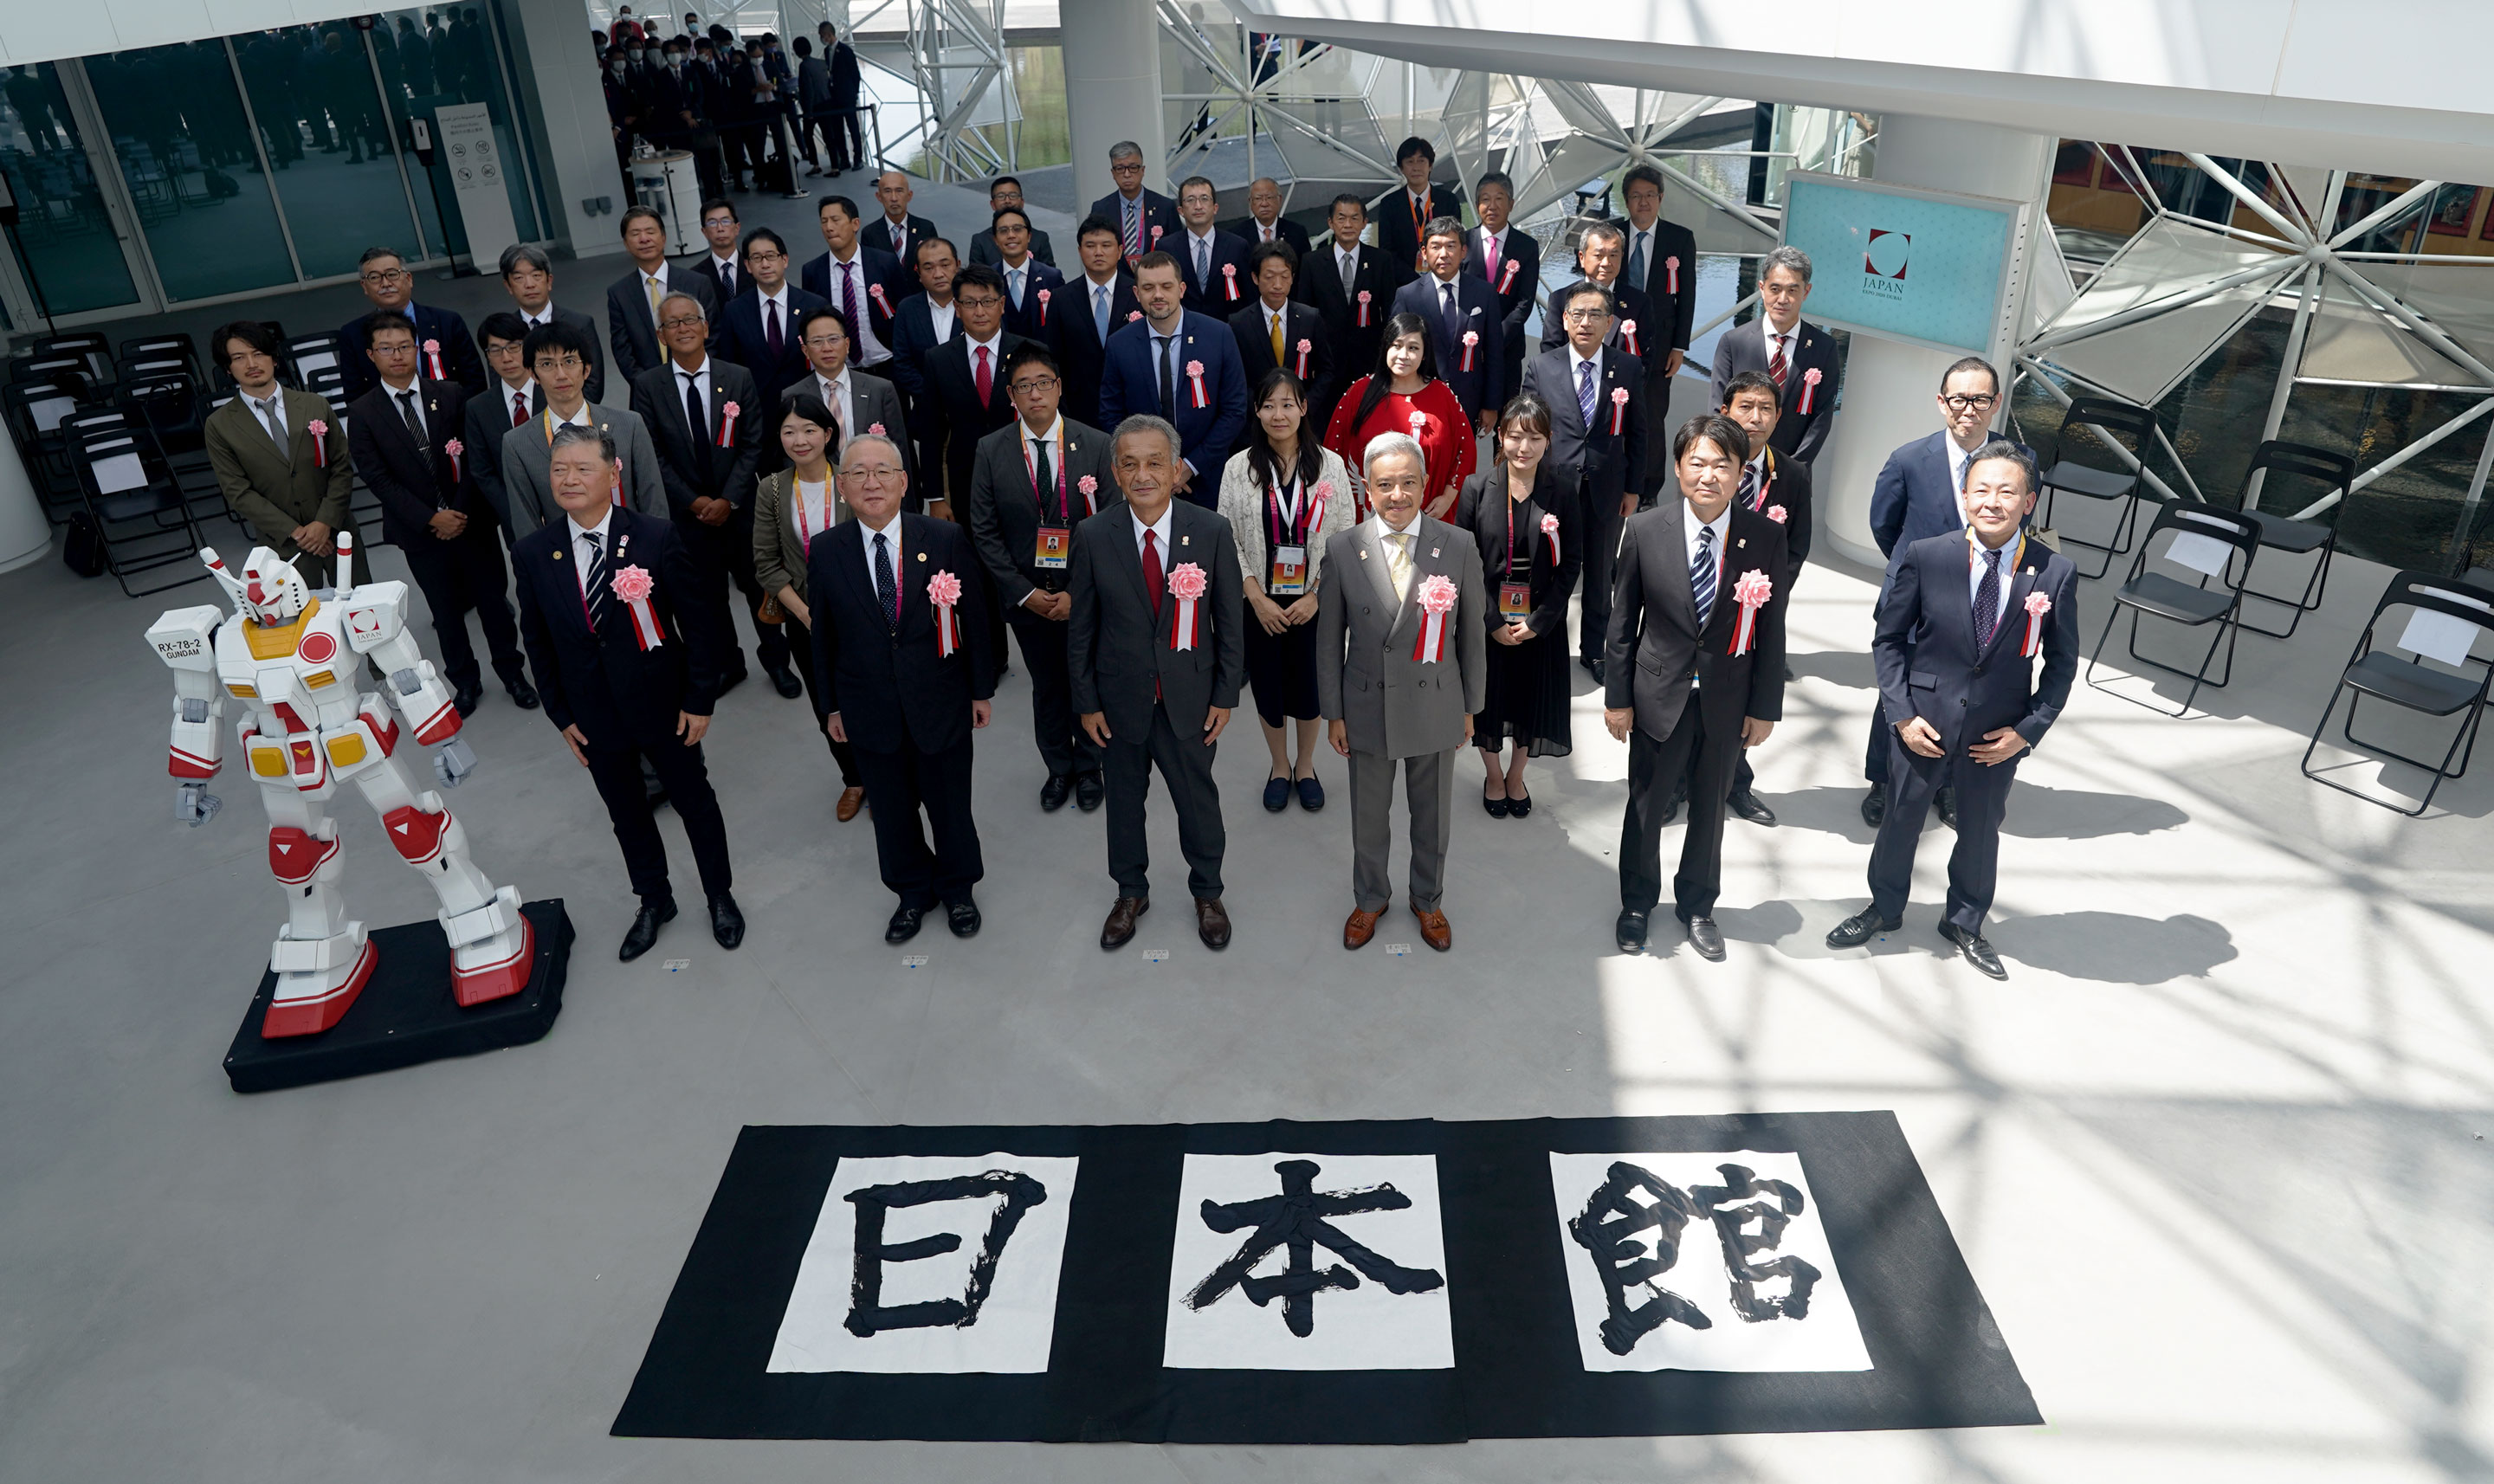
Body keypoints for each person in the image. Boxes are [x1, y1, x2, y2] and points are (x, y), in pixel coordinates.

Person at [1827, 442, 2080, 981]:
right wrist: (1900, 713)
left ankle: (1965, 920)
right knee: (1900, 820)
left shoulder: (2054, 573)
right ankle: (1884, 907)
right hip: (1923, 722)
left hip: (1997, 733)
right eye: (1982, 489)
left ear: (2029, 501)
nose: (1993, 502)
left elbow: (2061, 665)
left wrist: (2028, 731)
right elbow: (1889, 639)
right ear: (1964, 497)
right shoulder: (1928, 554)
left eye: (2007, 491)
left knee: (1981, 831)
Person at [512, 423, 741, 960]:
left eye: (582, 469)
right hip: (593, 714)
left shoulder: (655, 536)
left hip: (666, 707)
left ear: (613, 475)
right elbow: (537, 639)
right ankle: (654, 901)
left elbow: (699, 626)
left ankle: (719, 895)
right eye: (559, 470)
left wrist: (699, 701)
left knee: (695, 803)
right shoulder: (533, 552)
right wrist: (560, 713)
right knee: (627, 814)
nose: (568, 479)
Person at [1605, 414, 1789, 962]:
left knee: (1710, 808)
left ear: (1739, 473)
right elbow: (1622, 625)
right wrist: (1618, 700)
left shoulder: (1765, 537)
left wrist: (1765, 707)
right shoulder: (1643, 530)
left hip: (1727, 700)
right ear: (1680, 467)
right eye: (1698, 463)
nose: (1708, 475)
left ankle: (1698, 906)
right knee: (1646, 805)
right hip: (1658, 693)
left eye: (1722, 465)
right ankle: (1637, 903)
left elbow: (1772, 629)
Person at [1067, 415, 1246, 952]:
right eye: (1129, 464)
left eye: (1154, 463)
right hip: (1119, 701)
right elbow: (1082, 629)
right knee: (1124, 803)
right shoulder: (1095, 535)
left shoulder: (1210, 530)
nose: (1142, 474)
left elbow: (1229, 622)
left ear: (1175, 470)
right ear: (1116, 474)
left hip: (1188, 699)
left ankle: (1208, 891)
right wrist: (1087, 701)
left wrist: (1225, 694)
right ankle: (1130, 891)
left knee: (1198, 801)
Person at [810, 433, 996, 943]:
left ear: (903, 482)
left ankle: (959, 889)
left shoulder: (942, 539)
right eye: (858, 474)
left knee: (950, 805)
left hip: (941, 701)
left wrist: (981, 691)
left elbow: (976, 622)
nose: (872, 483)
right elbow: (822, 638)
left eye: (882, 472)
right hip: (868, 708)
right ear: (842, 486)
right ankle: (912, 892)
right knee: (891, 812)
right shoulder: (827, 551)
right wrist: (830, 707)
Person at [1315, 431, 1485, 952]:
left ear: (1424, 483)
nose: (1397, 495)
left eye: (1408, 482)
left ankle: (1427, 900)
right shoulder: (1344, 548)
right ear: (1367, 487)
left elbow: (1472, 634)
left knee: (1432, 814)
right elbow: (1328, 639)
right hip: (1367, 702)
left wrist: (1470, 707)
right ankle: (1370, 899)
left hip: (1435, 699)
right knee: (1369, 815)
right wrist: (1334, 713)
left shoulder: (1457, 544)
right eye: (1385, 484)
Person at [1860, 357, 2031, 828]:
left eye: (1980, 399)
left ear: (1996, 404)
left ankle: (1951, 785)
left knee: (1966, 695)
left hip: (1984, 601)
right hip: (1916, 601)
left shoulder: (2019, 460)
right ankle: (1882, 780)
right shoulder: (1909, 459)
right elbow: (1885, 525)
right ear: (1942, 402)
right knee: (1898, 691)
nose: (1968, 409)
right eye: (1959, 399)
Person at [344, 313, 534, 717]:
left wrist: (457, 510)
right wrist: (432, 518)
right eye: (386, 349)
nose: (396, 355)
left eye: (404, 346)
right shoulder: (362, 412)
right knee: (445, 612)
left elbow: (475, 456)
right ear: (370, 355)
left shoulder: (450, 394)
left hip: (471, 521)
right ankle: (464, 683)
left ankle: (513, 674)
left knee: (494, 603)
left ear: (417, 349)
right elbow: (377, 477)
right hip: (419, 531)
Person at [964, 343, 1121, 811]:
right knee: (1048, 684)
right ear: (1011, 394)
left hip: (1083, 595)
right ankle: (1059, 767)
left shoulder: (1095, 444)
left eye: (1043, 384)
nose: (1035, 394)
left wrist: (1078, 591)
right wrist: (1025, 593)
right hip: (1027, 598)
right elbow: (984, 530)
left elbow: (1113, 522)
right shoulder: (991, 450)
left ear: (1058, 387)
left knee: (1086, 678)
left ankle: (1091, 765)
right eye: (1024, 387)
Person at [630, 291, 792, 698]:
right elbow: (652, 453)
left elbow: (754, 443)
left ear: (705, 327)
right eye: (673, 323)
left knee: (761, 588)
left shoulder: (737, 376)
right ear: (660, 335)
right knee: (706, 598)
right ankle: (729, 665)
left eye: (690, 320)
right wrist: (694, 501)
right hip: (688, 516)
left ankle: (777, 661)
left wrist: (729, 499)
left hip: (740, 510)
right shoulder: (647, 385)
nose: (683, 328)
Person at [1222, 369, 1353, 813]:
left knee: (1310, 687)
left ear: (1304, 408)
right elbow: (1227, 538)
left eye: (1288, 403)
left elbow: (1345, 534)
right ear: (1257, 412)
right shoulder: (1237, 468)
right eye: (1269, 405)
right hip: (1259, 602)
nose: (1279, 414)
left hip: (1313, 602)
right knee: (1269, 687)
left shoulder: (1331, 465)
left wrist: (1317, 593)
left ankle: (1306, 764)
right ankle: (1279, 765)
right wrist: (1254, 596)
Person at [1455, 392, 1579, 815]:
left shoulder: (1562, 491)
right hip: (1489, 619)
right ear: (1501, 437)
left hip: (1539, 621)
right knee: (1488, 701)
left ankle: (1516, 775)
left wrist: (1541, 621)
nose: (1523, 448)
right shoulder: (1476, 489)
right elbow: (1464, 561)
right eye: (1515, 437)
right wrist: (1490, 620)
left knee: (1530, 701)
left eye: (1534, 438)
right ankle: (1493, 774)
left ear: (1548, 441)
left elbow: (1572, 563)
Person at [750, 397, 869, 823]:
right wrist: (803, 614)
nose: (799, 440)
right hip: (807, 618)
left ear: (828, 434)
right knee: (827, 704)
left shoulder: (853, 479)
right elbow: (766, 562)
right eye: (788, 431)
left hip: (864, 612)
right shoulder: (773, 488)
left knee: (873, 696)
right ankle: (854, 778)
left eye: (809, 430)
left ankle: (884, 775)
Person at [1522, 282, 1646, 683]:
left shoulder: (1627, 368)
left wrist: (1633, 488)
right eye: (1578, 314)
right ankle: (1540, 641)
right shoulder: (1543, 367)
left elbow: (1640, 432)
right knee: (1546, 568)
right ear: (1564, 319)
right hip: (1554, 488)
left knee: (1599, 573)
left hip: (1606, 490)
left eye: (1596, 315)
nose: (1586, 322)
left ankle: (1595, 652)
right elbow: (1525, 431)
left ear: (1610, 323)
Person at [204, 319, 357, 587]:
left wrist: (323, 522)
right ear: (228, 368)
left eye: (259, 354)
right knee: (299, 623)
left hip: (337, 531)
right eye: (239, 358)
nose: (252, 364)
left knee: (363, 616)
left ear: (274, 359)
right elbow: (237, 490)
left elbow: (341, 467)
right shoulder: (220, 425)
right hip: (282, 544)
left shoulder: (314, 404)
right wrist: (297, 533)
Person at [1096, 251, 1250, 510]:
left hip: (1207, 479)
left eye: (1166, 286)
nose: (1157, 295)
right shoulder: (1119, 345)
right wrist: (1149, 468)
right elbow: (1110, 415)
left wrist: (1188, 468)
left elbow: (1234, 410)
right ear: (1136, 293)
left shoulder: (1218, 335)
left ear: (1181, 289)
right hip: (1144, 485)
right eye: (1148, 287)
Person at [499, 319, 669, 539]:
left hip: (633, 557)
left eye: (569, 361)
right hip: (564, 560)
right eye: (547, 364)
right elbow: (526, 522)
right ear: (533, 374)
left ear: (586, 369)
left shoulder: (629, 425)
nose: (561, 374)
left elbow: (653, 500)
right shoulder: (517, 442)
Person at [1321, 312, 1476, 522]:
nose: (1403, 354)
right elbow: (1333, 451)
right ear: (1385, 347)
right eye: (1396, 345)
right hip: (1367, 519)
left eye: (1413, 348)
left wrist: (1448, 497)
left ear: (1424, 354)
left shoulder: (1443, 395)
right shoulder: (1360, 392)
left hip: (1429, 517)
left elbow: (1465, 449)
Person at [1708, 244, 1838, 468]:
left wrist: (1794, 469)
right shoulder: (1733, 342)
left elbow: (1821, 418)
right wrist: (1732, 462)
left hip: (1793, 472)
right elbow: (1718, 409)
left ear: (1806, 291)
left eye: (1792, 290)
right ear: (1762, 288)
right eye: (1775, 289)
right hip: (1737, 469)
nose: (1783, 299)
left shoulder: (1824, 348)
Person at [1612, 164, 1701, 490]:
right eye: (1636, 196)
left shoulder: (1679, 239)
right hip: (1614, 340)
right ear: (1626, 200)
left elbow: (1687, 297)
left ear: (1660, 198)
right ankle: (1616, 475)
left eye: (1650, 195)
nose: (1643, 202)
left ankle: (1649, 486)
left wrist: (1679, 347)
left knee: (1651, 416)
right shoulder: (1613, 234)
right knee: (1614, 408)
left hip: (1660, 345)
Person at [918, 264, 1028, 513]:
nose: (979, 311)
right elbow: (931, 432)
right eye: (969, 303)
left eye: (987, 301)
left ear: (1001, 304)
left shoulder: (1028, 353)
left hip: (1023, 474)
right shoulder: (939, 359)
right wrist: (935, 498)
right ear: (957, 308)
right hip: (965, 480)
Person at [1295, 194, 1407, 429]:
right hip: (1325, 361)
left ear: (1365, 222)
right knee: (1327, 425)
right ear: (1330, 223)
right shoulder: (1312, 261)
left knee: (1368, 423)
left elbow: (1390, 313)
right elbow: (1304, 313)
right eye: (1341, 218)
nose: (1348, 225)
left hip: (1368, 359)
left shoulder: (1381, 260)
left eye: (1355, 218)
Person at [1389, 216, 1503, 433]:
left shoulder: (1485, 293)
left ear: (1463, 251)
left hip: (1469, 398)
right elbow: (1395, 352)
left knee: (1463, 463)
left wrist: (1491, 405)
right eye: (1436, 247)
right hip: (1420, 396)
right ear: (1424, 252)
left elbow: (1494, 353)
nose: (1443, 254)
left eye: (1451, 246)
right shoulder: (1407, 295)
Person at [709, 227, 829, 423]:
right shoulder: (734, 311)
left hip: (808, 410)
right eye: (756, 258)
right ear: (747, 265)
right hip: (757, 413)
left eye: (771, 256)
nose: (765, 264)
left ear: (785, 260)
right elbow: (730, 365)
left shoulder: (814, 305)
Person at [337, 247, 486, 402]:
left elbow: (475, 383)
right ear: (364, 286)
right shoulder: (352, 334)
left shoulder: (447, 322)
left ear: (409, 279)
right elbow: (355, 397)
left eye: (392, 274)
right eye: (375, 277)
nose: (386, 283)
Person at [1536, 221, 1662, 403]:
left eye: (1613, 255)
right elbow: (1551, 352)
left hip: (1618, 402)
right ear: (1582, 257)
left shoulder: (1639, 303)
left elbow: (1645, 359)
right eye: (1599, 255)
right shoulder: (1560, 300)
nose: (1606, 263)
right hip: (1568, 399)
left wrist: (1621, 395)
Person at [790, 305, 912, 476]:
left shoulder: (881, 390)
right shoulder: (793, 395)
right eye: (817, 342)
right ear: (806, 351)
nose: (827, 348)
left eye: (833, 339)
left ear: (847, 344)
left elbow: (900, 454)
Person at [608, 205, 719, 384]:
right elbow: (622, 350)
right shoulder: (619, 293)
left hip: (700, 381)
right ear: (626, 244)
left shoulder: (697, 283)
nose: (644, 239)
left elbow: (713, 336)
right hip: (648, 388)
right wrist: (649, 385)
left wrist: (695, 375)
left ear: (664, 237)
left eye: (650, 231)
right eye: (635, 234)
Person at [1050, 216, 1140, 431]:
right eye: (1090, 246)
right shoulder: (1062, 298)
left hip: (1133, 407)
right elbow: (1054, 359)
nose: (1098, 252)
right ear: (1080, 250)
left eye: (1106, 245)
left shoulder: (1138, 293)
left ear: (1119, 251)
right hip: (1079, 411)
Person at [799, 195, 906, 374]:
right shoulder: (813, 271)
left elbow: (903, 310)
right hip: (840, 369)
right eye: (824, 222)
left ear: (855, 224)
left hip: (887, 362)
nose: (829, 227)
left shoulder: (884, 263)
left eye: (835, 220)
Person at [1229, 241, 1333, 424]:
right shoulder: (1239, 323)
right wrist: (1261, 407)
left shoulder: (1310, 317)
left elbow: (1326, 371)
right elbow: (1235, 377)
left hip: (1304, 419)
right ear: (1255, 277)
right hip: (1256, 420)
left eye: (1284, 276)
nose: (1277, 285)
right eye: (1269, 276)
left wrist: (1305, 405)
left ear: (1292, 277)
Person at [464, 312, 542, 539]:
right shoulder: (478, 408)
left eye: (514, 347)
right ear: (487, 356)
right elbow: (483, 471)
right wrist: (517, 513)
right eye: (495, 350)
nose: (506, 357)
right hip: (516, 522)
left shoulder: (553, 393)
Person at [886, 235, 962, 468]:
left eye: (945, 265)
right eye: (929, 267)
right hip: (929, 416)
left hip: (975, 414)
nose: (938, 273)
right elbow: (902, 363)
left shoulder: (974, 303)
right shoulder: (908, 309)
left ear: (958, 266)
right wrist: (934, 396)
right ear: (918, 273)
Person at [496, 242, 605, 405]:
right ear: (508, 286)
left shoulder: (579, 323)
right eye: (519, 278)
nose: (529, 284)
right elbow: (500, 386)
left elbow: (593, 383)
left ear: (549, 280)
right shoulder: (501, 333)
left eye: (536, 276)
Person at [1469, 171, 1539, 410]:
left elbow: (1525, 302)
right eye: (1485, 199)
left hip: (1507, 350)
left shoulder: (1527, 247)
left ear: (1511, 203)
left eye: (1499, 198)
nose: (1492, 206)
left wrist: (1495, 340)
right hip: (1466, 348)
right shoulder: (1462, 243)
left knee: (1506, 425)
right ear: (1477, 204)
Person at [1374, 135, 1462, 273]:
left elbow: (1455, 243)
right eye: (1410, 161)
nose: (1416, 168)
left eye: (1421, 161)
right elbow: (1387, 251)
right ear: (1402, 168)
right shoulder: (1390, 204)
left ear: (1430, 165)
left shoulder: (1448, 201)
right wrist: (1412, 281)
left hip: (1442, 276)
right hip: (1404, 284)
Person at [1091, 141, 1182, 268]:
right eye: (1120, 168)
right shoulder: (1100, 210)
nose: (1127, 174)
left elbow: (1177, 252)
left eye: (1133, 168)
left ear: (1143, 170)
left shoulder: (1165, 206)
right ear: (1113, 173)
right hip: (1117, 281)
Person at [1173, 176, 1252, 317]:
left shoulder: (1237, 246)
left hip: (1227, 329)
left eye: (1204, 199)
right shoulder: (1168, 247)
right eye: (1190, 200)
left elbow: (1248, 297)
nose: (1198, 206)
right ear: (1181, 210)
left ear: (1215, 208)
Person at [992, 208, 1065, 339]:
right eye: (1003, 231)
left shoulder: (1051, 277)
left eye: (1017, 229)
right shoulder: (988, 278)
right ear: (996, 239)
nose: (1011, 235)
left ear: (1029, 236)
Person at [969, 175, 1057, 267]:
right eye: (1001, 196)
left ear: (1022, 202)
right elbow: (976, 278)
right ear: (993, 204)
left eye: (1013, 195)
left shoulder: (1040, 238)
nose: (1007, 201)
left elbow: (1050, 275)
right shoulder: (980, 241)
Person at [870, 170, 940, 283]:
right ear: (879, 197)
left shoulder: (926, 228)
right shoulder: (870, 233)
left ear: (909, 195)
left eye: (899, 191)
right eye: (887, 191)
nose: (894, 198)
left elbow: (935, 264)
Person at [821, 21, 863, 175]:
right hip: (834, 96)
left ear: (828, 34)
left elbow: (855, 73)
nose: (822, 38)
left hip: (847, 95)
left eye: (822, 35)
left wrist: (854, 93)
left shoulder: (845, 51)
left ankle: (858, 158)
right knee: (837, 128)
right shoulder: (827, 51)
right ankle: (844, 158)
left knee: (853, 127)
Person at [690, 197, 749, 305]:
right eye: (712, 223)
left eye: (725, 221)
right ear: (704, 232)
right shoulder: (695, 275)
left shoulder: (754, 266)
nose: (720, 228)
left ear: (737, 228)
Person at [1242, 176, 1312, 254]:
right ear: (1250, 202)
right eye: (1258, 198)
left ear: (1280, 199)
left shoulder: (1297, 232)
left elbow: (1306, 264)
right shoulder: (1238, 235)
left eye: (1269, 197)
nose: (1264, 204)